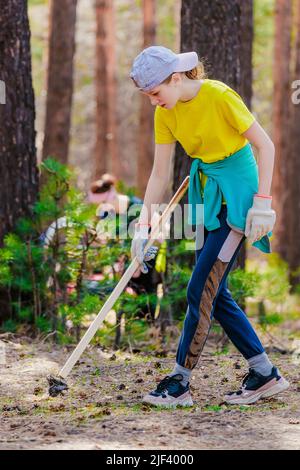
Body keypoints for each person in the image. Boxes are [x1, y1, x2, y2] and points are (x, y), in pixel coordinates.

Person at [129, 45, 289, 408]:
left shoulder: (218, 95)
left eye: (155, 93)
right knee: (214, 293)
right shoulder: (164, 114)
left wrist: (262, 204)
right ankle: (265, 373)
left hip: (240, 198)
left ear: (175, 78)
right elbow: (159, 174)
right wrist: (143, 225)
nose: (153, 102)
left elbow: (266, 147)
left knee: (200, 288)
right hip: (208, 196)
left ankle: (180, 381)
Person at [88, 173, 162, 325]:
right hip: (125, 257)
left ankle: (147, 326)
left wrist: (139, 260)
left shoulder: (136, 206)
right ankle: (130, 326)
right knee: (127, 289)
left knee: (146, 287)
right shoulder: (106, 213)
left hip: (147, 250)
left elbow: (153, 230)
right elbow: (110, 239)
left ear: (109, 196)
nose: (99, 208)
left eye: (101, 202)